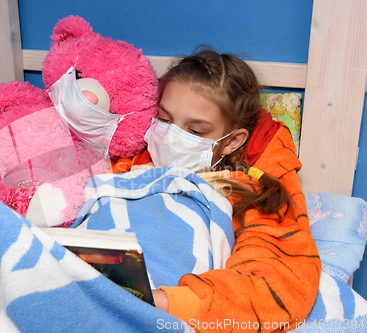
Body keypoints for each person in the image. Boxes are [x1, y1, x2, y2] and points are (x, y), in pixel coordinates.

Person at [128, 47, 321, 331]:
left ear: (232, 142)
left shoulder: (247, 193)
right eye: (165, 120)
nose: (171, 137)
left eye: (195, 131)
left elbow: (277, 283)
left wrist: (161, 302)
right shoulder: (127, 165)